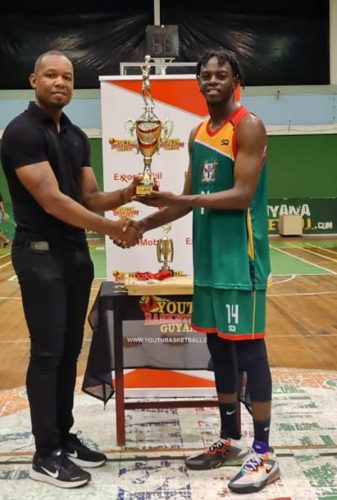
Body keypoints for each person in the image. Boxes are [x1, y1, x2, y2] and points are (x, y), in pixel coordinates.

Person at [120, 48, 280, 494]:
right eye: (205, 75)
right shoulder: (197, 132)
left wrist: (183, 201)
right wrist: (139, 225)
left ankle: (264, 454)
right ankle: (230, 440)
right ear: (198, 82)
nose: (211, 80)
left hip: (240, 260)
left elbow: (242, 194)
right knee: (220, 352)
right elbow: (184, 200)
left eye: (220, 74)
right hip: (207, 262)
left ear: (235, 80)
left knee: (250, 352)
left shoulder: (248, 126)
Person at [0, 50, 141, 489]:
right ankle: (46, 454)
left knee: (69, 352)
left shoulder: (77, 135)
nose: (60, 82)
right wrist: (113, 229)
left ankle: (63, 437)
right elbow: (53, 201)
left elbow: (88, 197)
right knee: (47, 353)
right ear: (33, 80)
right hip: (40, 255)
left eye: (67, 76)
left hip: (76, 255)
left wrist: (127, 195)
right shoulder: (21, 132)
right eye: (51, 75)